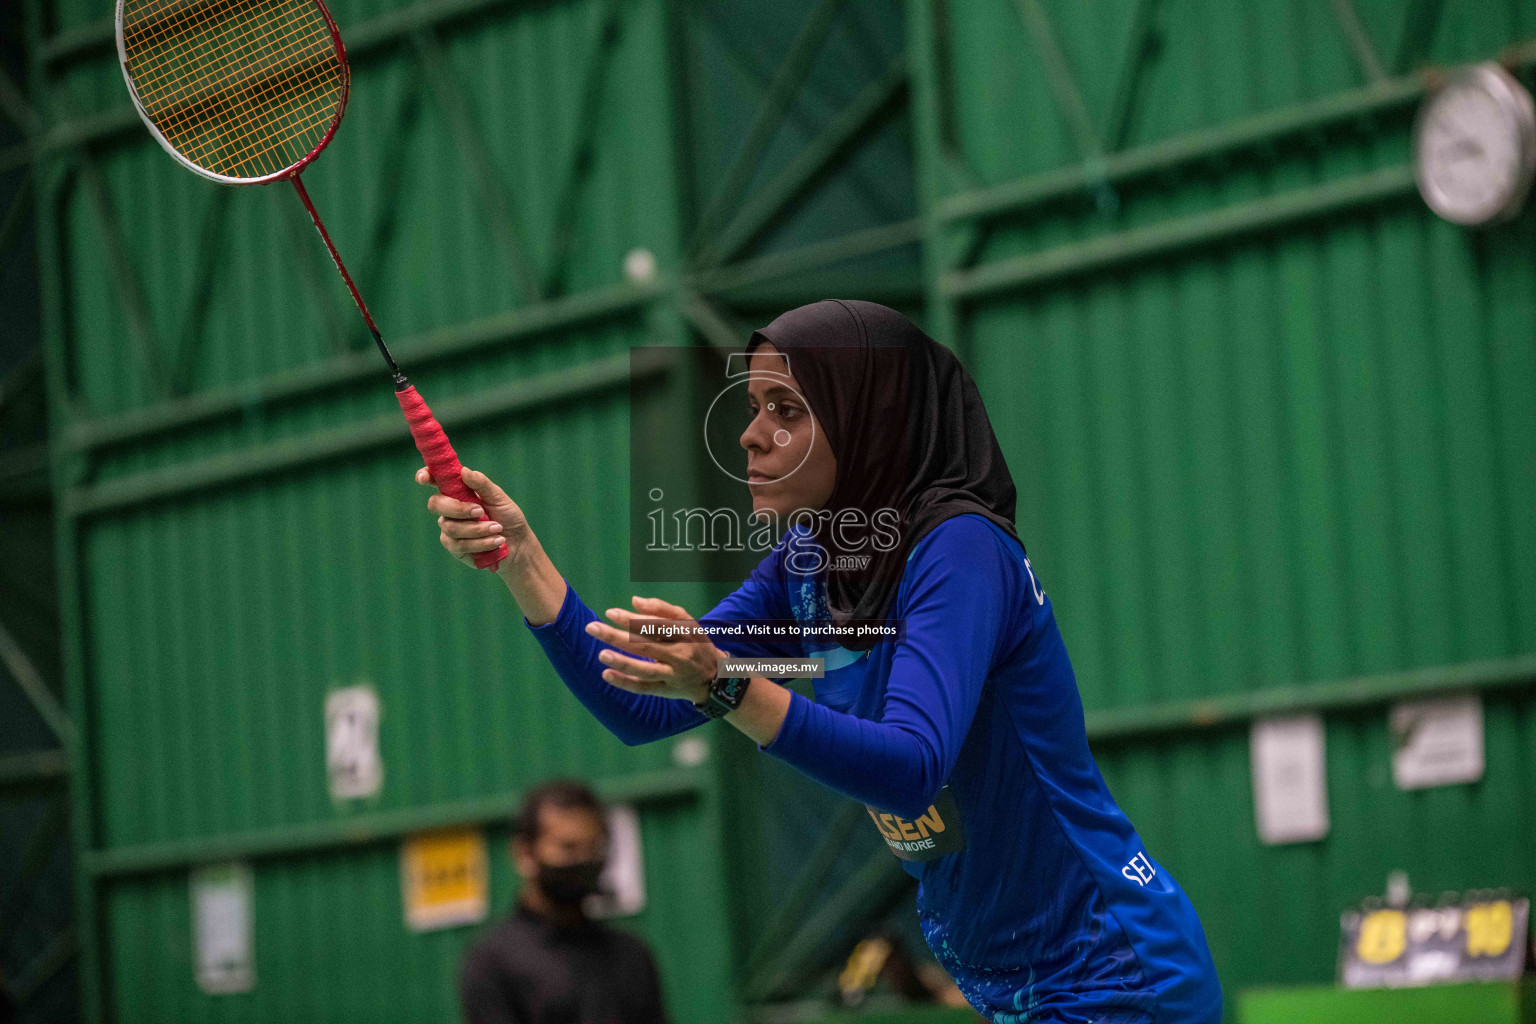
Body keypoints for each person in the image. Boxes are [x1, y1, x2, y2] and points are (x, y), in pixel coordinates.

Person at [421, 300, 1222, 1023]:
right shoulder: (809, 562)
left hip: (1114, 978)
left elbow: (910, 766)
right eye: (752, 408)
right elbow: (640, 701)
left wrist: (729, 685)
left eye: (786, 411)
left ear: (866, 419)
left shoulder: (960, 550)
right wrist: (522, 559)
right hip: (1013, 987)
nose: (749, 434)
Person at [459, 780, 668, 1024]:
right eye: (569, 848)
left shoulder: (630, 955)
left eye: (595, 847)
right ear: (525, 854)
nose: (585, 860)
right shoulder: (492, 964)